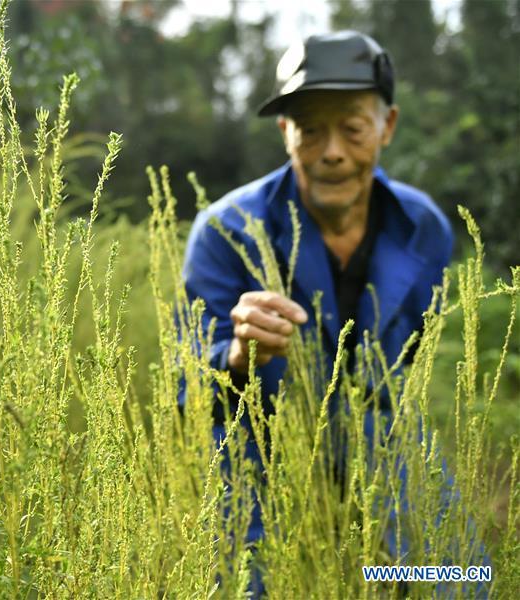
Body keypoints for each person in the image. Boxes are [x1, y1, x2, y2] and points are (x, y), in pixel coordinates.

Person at [177, 31, 458, 594]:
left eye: (352, 128)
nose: (332, 150)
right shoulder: (225, 232)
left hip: (385, 446)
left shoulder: (424, 228)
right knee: (251, 587)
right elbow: (184, 388)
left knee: (457, 577)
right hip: (259, 460)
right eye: (310, 129)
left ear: (387, 126)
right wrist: (235, 355)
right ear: (286, 134)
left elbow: (410, 361)